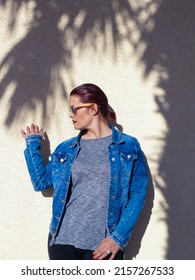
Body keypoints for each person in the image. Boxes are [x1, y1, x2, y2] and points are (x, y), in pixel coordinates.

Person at [21, 83, 148, 260]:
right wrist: (32, 145)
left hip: (103, 247)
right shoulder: (66, 148)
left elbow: (137, 194)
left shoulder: (128, 146)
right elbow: (41, 183)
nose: (70, 115)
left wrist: (117, 238)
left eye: (74, 109)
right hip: (62, 242)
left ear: (94, 109)